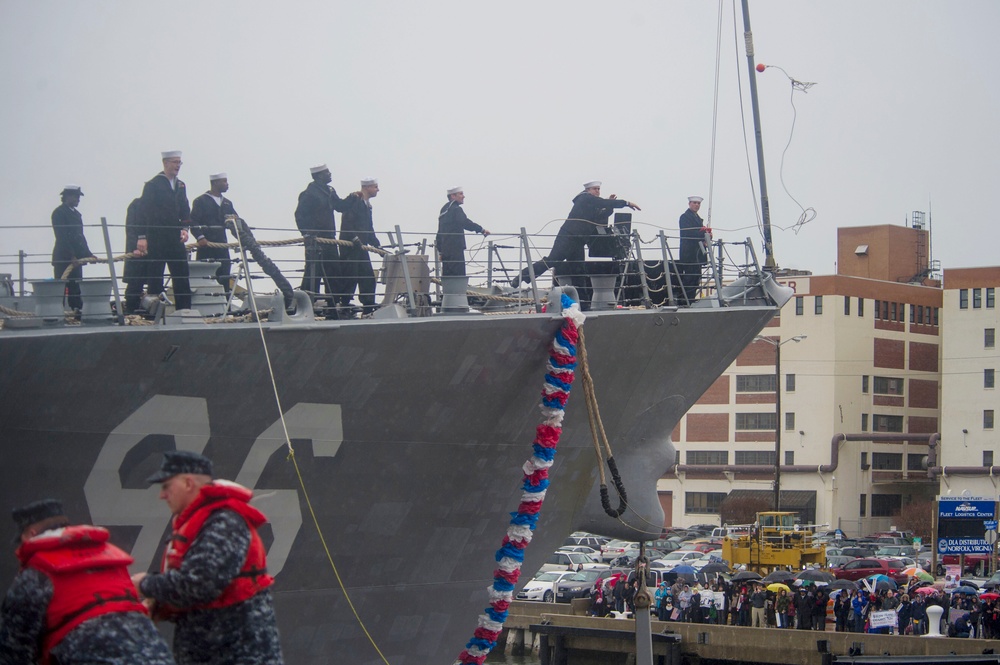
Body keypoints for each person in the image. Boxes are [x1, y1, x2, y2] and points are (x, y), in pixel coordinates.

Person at [133, 451, 284, 665]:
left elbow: (200, 584)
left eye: (166, 486)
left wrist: (145, 584)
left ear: (188, 483)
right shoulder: (202, 522)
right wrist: (161, 604)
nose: (162, 495)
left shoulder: (224, 523)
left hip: (238, 654)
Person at [0, 499, 174, 664]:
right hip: (157, 655)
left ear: (31, 534)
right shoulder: (108, 560)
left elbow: (13, 650)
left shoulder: (36, 575)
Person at [513, 181, 639, 310]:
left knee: (579, 270)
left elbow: (600, 215)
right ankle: (522, 277)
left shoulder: (591, 203)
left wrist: (609, 206)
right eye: (595, 189)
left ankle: (583, 304)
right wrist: (626, 203)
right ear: (588, 190)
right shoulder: (584, 198)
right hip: (568, 237)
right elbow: (601, 203)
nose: (597, 191)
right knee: (552, 260)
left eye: (598, 189)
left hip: (579, 240)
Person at [137, 150, 193, 311]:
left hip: (175, 236)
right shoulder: (153, 185)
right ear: (166, 163)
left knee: (181, 274)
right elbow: (143, 212)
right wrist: (142, 236)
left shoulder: (180, 185)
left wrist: (184, 228)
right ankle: (154, 312)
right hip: (157, 236)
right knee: (156, 276)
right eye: (175, 162)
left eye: (179, 162)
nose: (178, 166)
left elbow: (184, 208)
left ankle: (184, 310)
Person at [294, 164, 348, 304]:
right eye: (327, 173)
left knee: (334, 272)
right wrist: (307, 233)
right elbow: (300, 215)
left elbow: (340, 206)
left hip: (329, 239)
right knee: (313, 272)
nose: (330, 174)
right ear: (319, 176)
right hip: (315, 240)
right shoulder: (309, 194)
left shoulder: (329, 191)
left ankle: (333, 304)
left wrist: (353, 198)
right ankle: (306, 303)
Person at [338, 177, 381, 315]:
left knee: (367, 275)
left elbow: (368, 227)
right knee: (350, 274)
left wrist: (375, 243)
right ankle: (344, 304)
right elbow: (347, 221)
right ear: (367, 187)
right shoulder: (355, 200)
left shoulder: (366, 204)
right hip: (350, 245)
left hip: (361, 246)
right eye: (375, 187)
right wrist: (354, 237)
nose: (377, 190)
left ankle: (368, 303)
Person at [191, 173, 238, 297]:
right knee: (204, 276)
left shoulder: (227, 203)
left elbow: (236, 222)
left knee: (224, 276)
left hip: (222, 245)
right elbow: (193, 221)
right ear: (215, 183)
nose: (227, 184)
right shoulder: (200, 201)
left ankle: (225, 305)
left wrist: (241, 238)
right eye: (224, 181)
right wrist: (200, 237)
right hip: (206, 246)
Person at [50, 184, 95, 313]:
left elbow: (80, 237)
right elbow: (62, 236)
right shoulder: (59, 213)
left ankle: (77, 311)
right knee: (61, 287)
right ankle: (57, 312)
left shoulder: (77, 215)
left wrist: (88, 254)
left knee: (76, 287)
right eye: (75, 197)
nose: (78, 200)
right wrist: (71, 256)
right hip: (63, 258)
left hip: (76, 259)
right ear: (67, 197)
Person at [436, 186, 490, 277]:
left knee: (447, 276)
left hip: (446, 250)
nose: (463, 196)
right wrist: (481, 229)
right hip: (455, 248)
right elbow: (465, 222)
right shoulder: (456, 209)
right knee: (458, 275)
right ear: (453, 196)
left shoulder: (444, 210)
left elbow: (439, 232)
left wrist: (440, 250)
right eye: (461, 194)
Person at [674, 195, 711, 304]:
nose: (696, 205)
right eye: (694, 203)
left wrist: (707, 234)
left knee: (696, 279)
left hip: (697, 255)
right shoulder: (685, 217)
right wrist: (703, 233)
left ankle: (690, 300)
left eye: (698, 203)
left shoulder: (697, 218)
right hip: (689, 254)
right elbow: (688, 233)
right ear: (689, 204)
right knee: (689, 279)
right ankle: (685, 302)